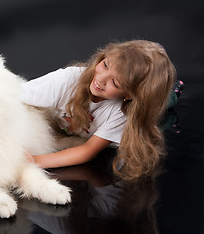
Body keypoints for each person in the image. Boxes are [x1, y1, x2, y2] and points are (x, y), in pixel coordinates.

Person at [21, 40, 179, 180]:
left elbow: (88, 149)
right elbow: (15, 94)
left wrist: (37, 160)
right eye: (105, 65)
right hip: (71, 125)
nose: (101, 79)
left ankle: (175, 92)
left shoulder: (124, 113)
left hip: (146, 107)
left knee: (161, 106)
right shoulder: (67, 80)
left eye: (115, 83)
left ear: (129, 95)